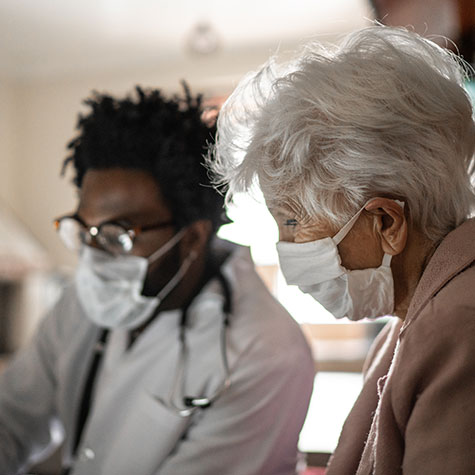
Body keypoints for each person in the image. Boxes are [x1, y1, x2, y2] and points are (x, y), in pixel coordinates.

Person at [0, 85, 314, 475]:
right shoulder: (81, 301)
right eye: (84, 231)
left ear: (193, 238)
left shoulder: (264, 353)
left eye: (118, 235)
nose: (93, 257)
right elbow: (11, 420)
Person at [211, 26, 475, 474]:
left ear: (387, 223)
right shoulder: (408, 323)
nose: (286, 249)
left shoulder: (458, 329)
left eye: (293, 224)